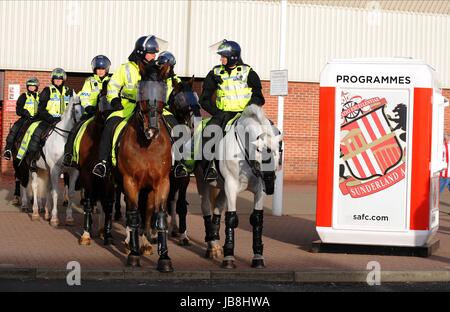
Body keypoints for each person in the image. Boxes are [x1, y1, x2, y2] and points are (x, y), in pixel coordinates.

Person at [92, 35, 161, 178]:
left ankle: (177, 162)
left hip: (150, 108)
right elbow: (113, 86)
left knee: (171, 124)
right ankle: (103, 162)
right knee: (110, 125)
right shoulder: (125, 68)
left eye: (155, 53)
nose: (154, 56)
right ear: (141, 53)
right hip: (126, 107)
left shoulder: (155, 69)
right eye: (152, 53)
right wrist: (115, 101)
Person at [198, 39, 265, 181]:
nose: (220, 58)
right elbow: (204, 99)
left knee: (266, 133)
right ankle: (210, 168)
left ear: (233, 57)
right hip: (223, 115)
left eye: (223, 56)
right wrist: (217, 113)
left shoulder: (249, 72)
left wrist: (249, 110)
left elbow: (259, 97)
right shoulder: (215, 73)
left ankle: (266, 170)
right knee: (209, 134)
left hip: (245, 115)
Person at [62, 55, 112, 166]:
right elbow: (84, 95)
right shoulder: (89, 81)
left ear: (106, 70)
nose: (100, 71)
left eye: (102, 69)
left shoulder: (111, 81)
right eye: (98, 69)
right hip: (90, 112)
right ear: (95, 70)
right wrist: (88, 106)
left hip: (106, 113)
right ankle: (69, 154)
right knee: (75, 129)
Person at [26, 68, 75, 171]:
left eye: (60, 79)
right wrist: (49, 117)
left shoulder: (69, 91)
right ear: (52, 80)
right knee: (37, 133)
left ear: (63, 80)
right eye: (55, 79)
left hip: (65, 121)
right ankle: (33, 159)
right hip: (49, 120)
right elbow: (41, 108)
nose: (57, 80)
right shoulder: (47, 90)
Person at [157, 51, 191, 179]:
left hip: (167, 112)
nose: (164, 68)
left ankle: (179, 164)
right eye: (161, 65)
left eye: (166, 65)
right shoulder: (154, 78)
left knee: (180, 132)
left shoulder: (176, 81)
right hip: (153, 111)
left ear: (171, 67)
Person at [3, 77, 40, 160]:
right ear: (27, 87)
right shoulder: (24, 96)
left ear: (36, 87)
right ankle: (8, 150)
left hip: (36, 119)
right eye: (29, 86)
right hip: (25, 118)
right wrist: (25, 113)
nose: (31, 87)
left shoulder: (40, 96)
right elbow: (18, 110)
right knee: (14, 129)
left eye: (33, 86)